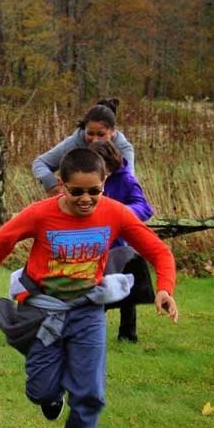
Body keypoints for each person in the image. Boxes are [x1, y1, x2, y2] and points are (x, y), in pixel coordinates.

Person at [0, 148, 179, 428]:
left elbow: (158, 251)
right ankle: (52, 396)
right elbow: (2, 240)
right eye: (76, 191)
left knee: (90, 392)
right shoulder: (40, 214)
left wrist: (164, 289)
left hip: (87, 309)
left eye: (94, 191)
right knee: (41, 390)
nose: (85, 199)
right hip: (43, 309)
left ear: (104, 184)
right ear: (61, 185)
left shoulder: (115, 213)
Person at [89, 139, 155, 342]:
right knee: (95, 289)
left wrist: (120, 213)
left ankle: (128, 334)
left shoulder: (126, 180)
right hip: (91, 246)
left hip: (118, 248)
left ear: (111, 164)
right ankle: (90, 328)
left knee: (126, 290)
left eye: (103, 168)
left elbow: (144, 207)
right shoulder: (88, 178)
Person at [32, 98, 134, 197]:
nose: (95, 140)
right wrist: (52, 185)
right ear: (84, 129)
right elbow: (40, 163)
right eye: (90, 133)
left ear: (112, 132)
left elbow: (130, 185)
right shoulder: (74, 143)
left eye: (101, 134)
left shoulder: (123, 149)